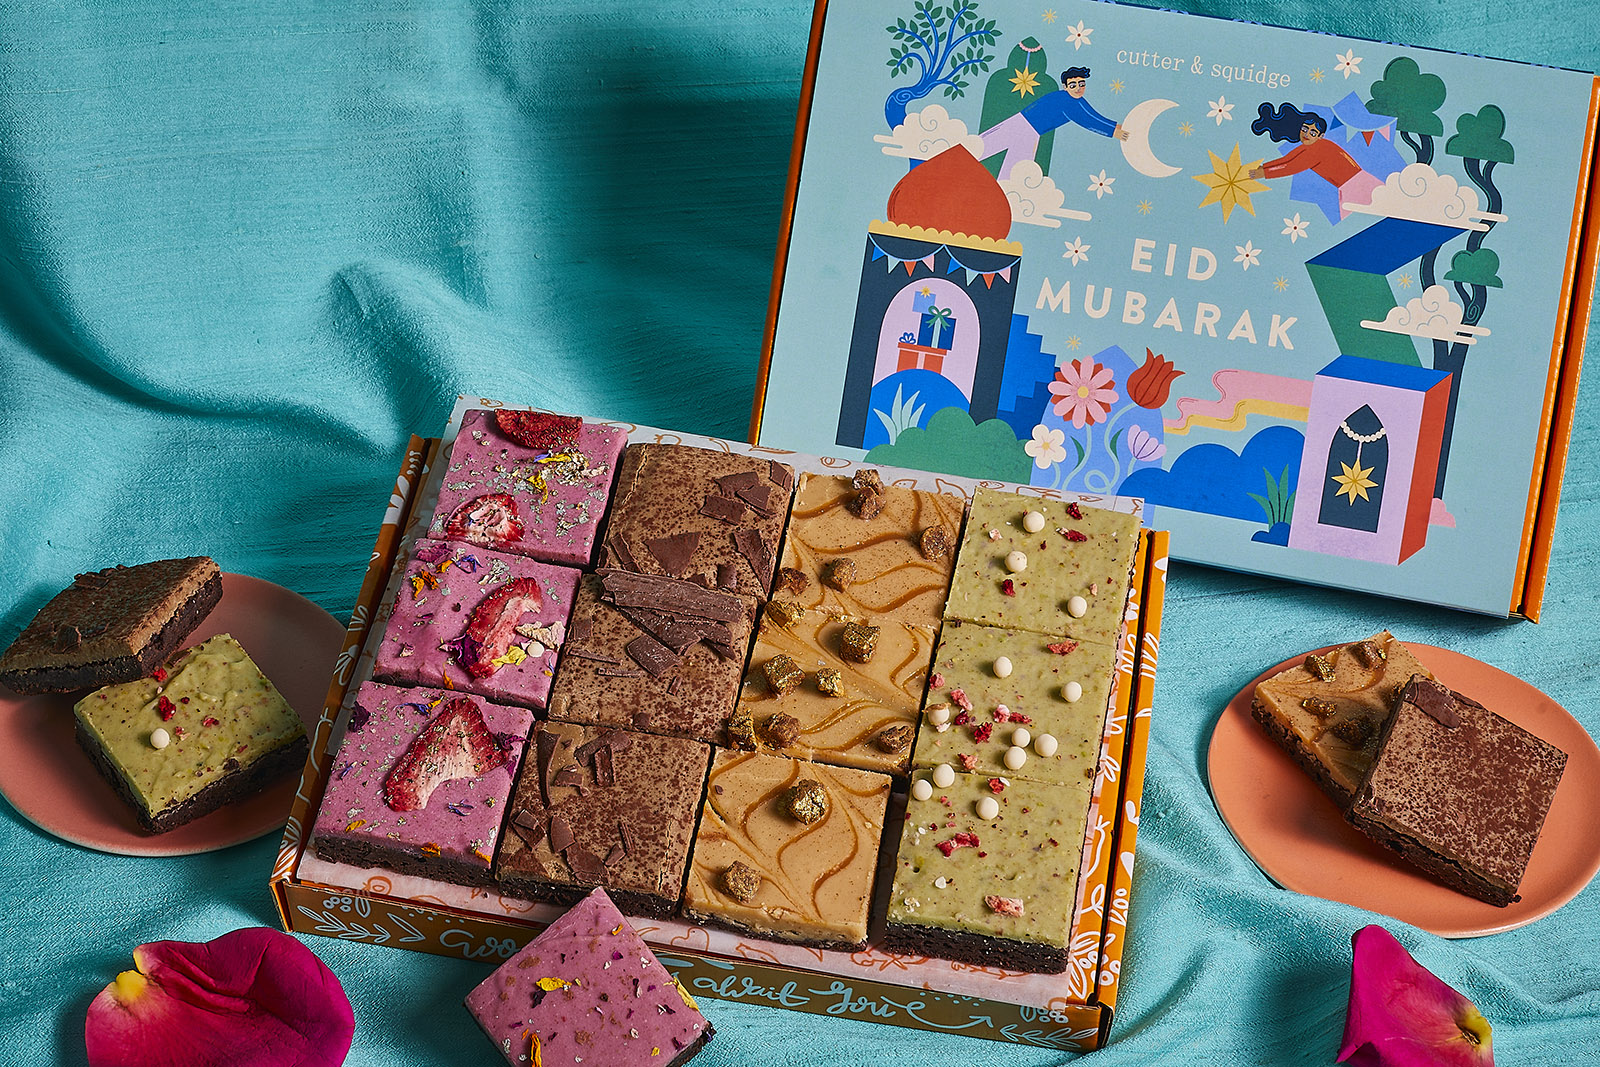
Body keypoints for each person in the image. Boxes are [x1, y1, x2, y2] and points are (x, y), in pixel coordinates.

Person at [979, 67, 1129, 180]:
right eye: (1073, 85)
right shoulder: (1066, 101)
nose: (1078, 88)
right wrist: (1113, 132)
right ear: (1065, 86)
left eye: (1081, 84)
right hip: (1020, 125)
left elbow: (1093, 115)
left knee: (1012, 173)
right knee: (981, 147)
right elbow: (1087, 120)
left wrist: (1116, 127)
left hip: (1032, 134)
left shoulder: (1077, 101)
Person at [1246, 102, 1382, 217]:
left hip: (1358, 187)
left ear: (1320, 136)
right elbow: (1288, 159)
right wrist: (1264, 167)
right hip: (1352, 186)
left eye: (1312, 133)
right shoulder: (1311, 146)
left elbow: (1292, 167)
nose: (1306, 135)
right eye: (1304, 129)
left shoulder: (1319, 149)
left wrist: (1265, 173)